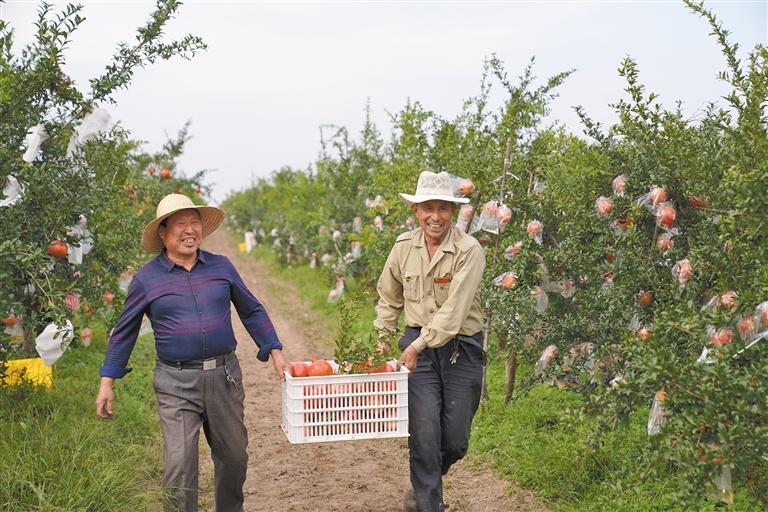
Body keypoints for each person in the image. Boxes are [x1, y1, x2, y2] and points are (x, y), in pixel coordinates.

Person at [95, 193, 288, 512]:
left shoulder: (221, 267)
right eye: (180, 224)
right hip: (175, 382)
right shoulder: (146, 279)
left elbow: (251, 310)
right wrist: (107, 380)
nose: (189, 230)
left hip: (224, 377)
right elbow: (125, 329)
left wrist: (274, 349)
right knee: (180, 464)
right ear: (162, 232)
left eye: (194, 222)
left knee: (234, 456)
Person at [374, 171, 486, 512]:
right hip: (416, 350)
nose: (434, 216)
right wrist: (383, 339)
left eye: (443, 208)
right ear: (416, 211)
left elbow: (453, 314)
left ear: (453, 212)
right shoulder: (402, 248)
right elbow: (388, 296)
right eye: (427, 208)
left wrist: (415, 346)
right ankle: (427, 502)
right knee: (423, 432)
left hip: (460, 347)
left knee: (455, 440)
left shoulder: (469, 251)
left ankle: (426, 481)